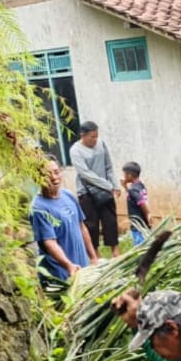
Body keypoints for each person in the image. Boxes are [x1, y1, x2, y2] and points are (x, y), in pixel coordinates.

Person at [30, 157, 98, 287]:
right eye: (48, 175)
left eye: (56, 172)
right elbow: (49, 242)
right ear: (36, 178)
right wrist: (68, 265)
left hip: (81, 269)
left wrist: (93, 257)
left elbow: (82, 227)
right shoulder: (38, 208)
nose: (54, 178)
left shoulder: (68, 195)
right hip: (60, 277)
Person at [68, 121, 122, 259]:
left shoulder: (101, 145)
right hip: (87, 192)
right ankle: (95, 256)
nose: (95, 140)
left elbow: (108, 167)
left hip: (105, 191)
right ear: (83, 135)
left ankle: (115, 251)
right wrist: (108, 186)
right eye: (92, 137)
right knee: (91, 224)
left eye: (96, 136)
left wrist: (115, 185)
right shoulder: (75, 151)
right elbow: (86, 174)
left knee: (110, 221)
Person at [121, 161, 151, 245]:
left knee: (140, 246)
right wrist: (125, 187)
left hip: (138, 224)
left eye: (124, 174)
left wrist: (148, 214)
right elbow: (133, 198)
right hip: (143, 223)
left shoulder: (133, 190)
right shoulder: (140, 185)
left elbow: (141, 202)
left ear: (129, 175)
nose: (123, 176)